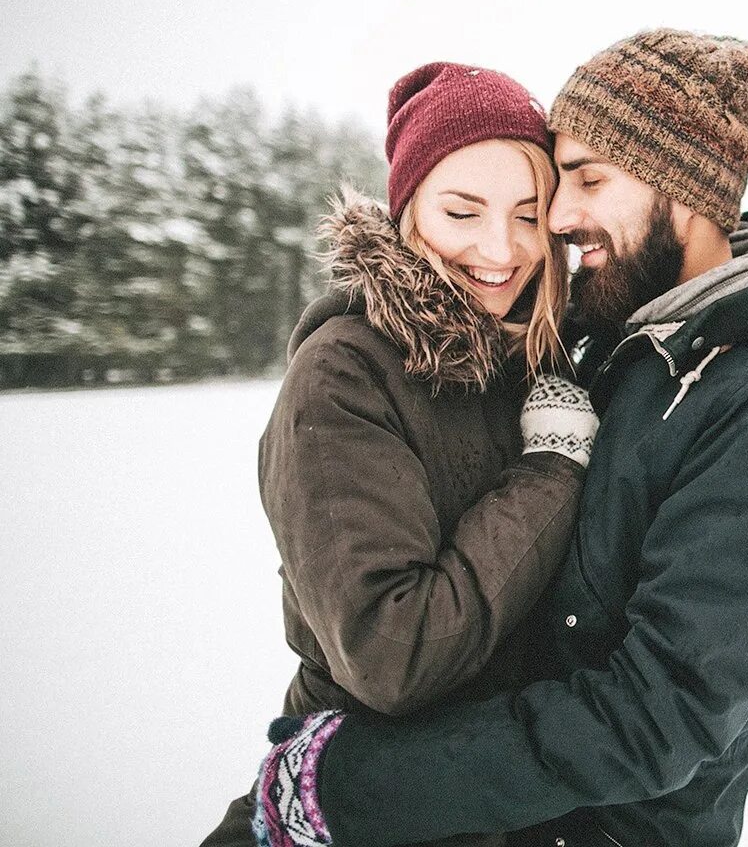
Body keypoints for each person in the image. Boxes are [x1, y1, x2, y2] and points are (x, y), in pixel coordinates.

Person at [251, 29, 748, 847]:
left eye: (582, 182)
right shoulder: (615, 344)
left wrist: (364, 785)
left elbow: (658, 712)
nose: (557, 223)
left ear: (679, 184)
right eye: (466, 210)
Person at [201, 62, 599, 847]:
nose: (501, 247)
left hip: (494, 795)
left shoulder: (532, 355)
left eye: (528, 214)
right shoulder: (344, 375)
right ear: (408, 210)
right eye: (463, 211)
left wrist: (742, 556)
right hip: (364, 800)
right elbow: (395, 655)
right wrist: (551, 469)